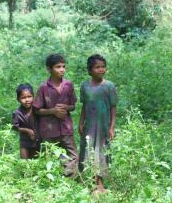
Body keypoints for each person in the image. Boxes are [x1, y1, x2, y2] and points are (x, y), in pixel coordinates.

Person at [33, 54, 78, 176]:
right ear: (49, 69)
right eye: (58, 67)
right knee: (51, 156)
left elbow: (73, 105)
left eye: (64, 66)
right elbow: (37, 110)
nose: (62, 69)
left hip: (66, 128)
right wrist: (52, 111)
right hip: (49, 129)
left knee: (74, 156)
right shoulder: (43, 87)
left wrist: (66, 107)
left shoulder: (68, 85)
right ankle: (54, 181)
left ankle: (69, 179)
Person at [78, 54, 118, 193]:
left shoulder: (109, 86)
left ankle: (100, 182)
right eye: (97, 67)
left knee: (101, 150)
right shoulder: (84, 86)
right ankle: (91, 181)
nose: (101, 69)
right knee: (89, 150)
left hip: (103, 126)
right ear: (89, 70)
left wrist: (112, 127)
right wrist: (81, 122)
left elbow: (113, 108)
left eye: (103, 67)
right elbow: (84, 105)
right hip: (90, 125)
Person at [12, 84, 40, 159]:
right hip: (24, 142)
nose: (27, 100)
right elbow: (14, 127)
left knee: (36, 162)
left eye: (29, 97)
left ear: (33, 96)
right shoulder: (17, 113)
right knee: (24, 163)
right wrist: (27, 130)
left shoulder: (37, 109)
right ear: (18, 99)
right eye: (23, 98)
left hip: (37, 141)